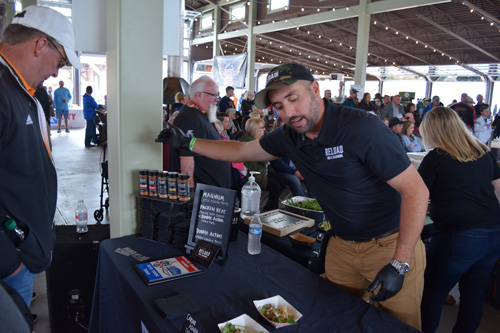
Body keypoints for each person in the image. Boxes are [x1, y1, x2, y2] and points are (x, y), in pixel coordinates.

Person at [164, 63, 429, 329]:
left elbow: (416, 191)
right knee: (335, 319)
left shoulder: (362, 128)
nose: (288, 112)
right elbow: (239, 151)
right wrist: (188, 143)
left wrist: (400, 263)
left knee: (398, 326)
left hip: (390, 245)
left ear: (314, 89)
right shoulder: (290, 135)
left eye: (293, 98)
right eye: (279, 106)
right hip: (342, 247)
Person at [0, 5, 81, 307]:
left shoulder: (21, 91)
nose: (55, 72)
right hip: (10, 264)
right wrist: (9, 261)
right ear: (39, 45)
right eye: (59, 61)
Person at [418, 107, 500, 333]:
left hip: (458, 236)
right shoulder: (482, 151)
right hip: (493, 232)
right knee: (472, 297)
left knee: (432, 294)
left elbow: (418, 195)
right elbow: (497, 188)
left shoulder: (436, 157)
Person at [167, 75, 232, 190]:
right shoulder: (190, 117)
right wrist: (190, 194)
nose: (217, 99)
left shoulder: (199, 114)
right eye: (214, 95)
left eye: (218, 95)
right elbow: (186, 161)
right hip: (202, 195)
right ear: (199, 95)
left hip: (210, 193)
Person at [238, 118, 286, 210]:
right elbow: (264, 160)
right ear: (255, 129)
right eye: (262, 128)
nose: (264, 129)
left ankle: (269, 206)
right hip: (253, 174)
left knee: (282, 180)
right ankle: (272, 210)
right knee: (275, 186)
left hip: (261, 171)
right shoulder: (251, 143)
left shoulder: (256, 140)